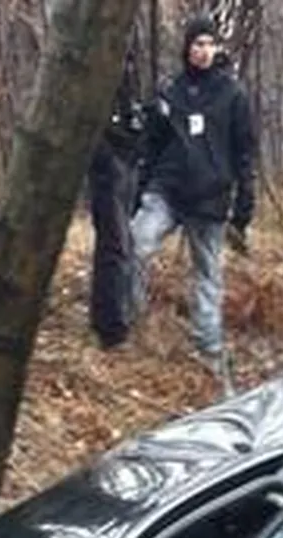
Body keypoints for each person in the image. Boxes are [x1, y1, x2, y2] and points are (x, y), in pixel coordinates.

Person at [128, 17, 256, 364]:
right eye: (196, 44)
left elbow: (244, 151)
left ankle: (208, 346)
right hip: (167, 189)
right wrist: (139, 193)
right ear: (187, 48)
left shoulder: (232, 94)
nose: (202, 51)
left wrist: (244, 204)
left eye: (208, 44)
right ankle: (132, 325)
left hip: (210, 195)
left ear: (217, 48)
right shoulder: (171, 90)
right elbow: (151, 147)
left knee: (208, 273)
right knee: (135, 245)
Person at [86, 63, 147, 349]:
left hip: (127, 152)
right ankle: (111, 328)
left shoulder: (126, 52)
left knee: (124, 241)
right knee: (114, 242)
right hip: (106, 153)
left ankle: (119, 315)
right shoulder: (95, 44)